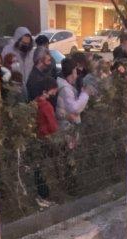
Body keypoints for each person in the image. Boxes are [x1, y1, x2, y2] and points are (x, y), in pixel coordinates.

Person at [34, 75, 59, 207]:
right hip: (46, 140)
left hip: (37, 139)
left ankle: (40, 195)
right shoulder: (47, 106)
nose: (55, 92)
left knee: (38, 169)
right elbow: (53, 126)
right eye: (54, 90)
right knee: (45, 169)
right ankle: (44, 197)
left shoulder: (35, 103)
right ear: (47, 90)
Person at [55, 58, 89, 129]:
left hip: (67, 126)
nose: (76, 76)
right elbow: (75, 109)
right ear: (73, 72)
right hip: (68, 128)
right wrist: (85, 94)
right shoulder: (66, 90)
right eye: (76, 72)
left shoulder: (65, 86)